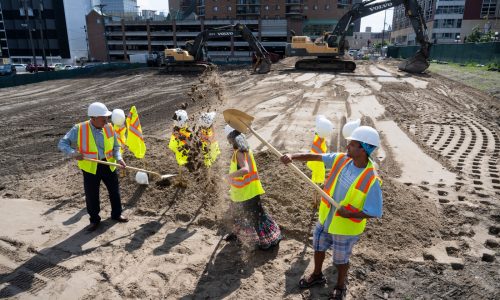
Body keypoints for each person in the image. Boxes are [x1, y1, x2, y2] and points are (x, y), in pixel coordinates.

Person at [280, 125, 383, 300]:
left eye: (352, 144)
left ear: (364, 148)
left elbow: (374, 211)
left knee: (341, 260)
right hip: (326, 217)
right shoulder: (342, 159)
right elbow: (317, 157)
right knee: (318, 247)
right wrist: (293, 156)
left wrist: (350, 214)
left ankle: (340, 286)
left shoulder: (371, 178)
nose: (347, 146)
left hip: (345, 227)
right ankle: (317, 275)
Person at [58, 102, 128, 232]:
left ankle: (116, 214)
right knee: (92, 195)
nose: (106, 121)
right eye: (104, 118)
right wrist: (73, 153)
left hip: (109, 164)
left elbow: (116, 146)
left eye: (107, 118)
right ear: (93, 118)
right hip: (90, 168)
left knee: (115, 191)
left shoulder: (109, 127)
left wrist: (119, 158)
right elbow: (62, 143)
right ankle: (94, 220)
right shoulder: (79, 128)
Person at [224, 125, 282, 250]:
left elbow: (245, 170)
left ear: (231, 139)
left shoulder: (238, 152)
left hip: (243, 193)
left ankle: (261, 241)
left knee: (246, 216)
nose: (228, 142)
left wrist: (229, 176)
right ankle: (266, 238)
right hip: (252, 190)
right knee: (257, 216)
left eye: (228, 139)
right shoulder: (246, 149)